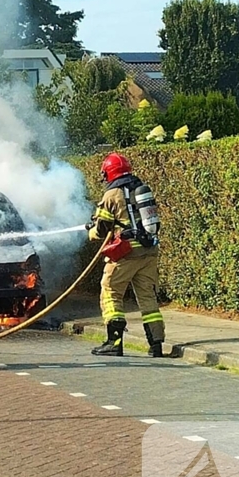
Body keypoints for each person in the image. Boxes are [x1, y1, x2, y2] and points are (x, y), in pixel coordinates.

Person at [86, 153, 165, 357]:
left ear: (109, 173)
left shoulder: (111, 195)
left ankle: (114, 342)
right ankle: (156, 345)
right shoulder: (140, 188)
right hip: (149, 250)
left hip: (126, 251)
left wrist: (91, 230)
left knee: (110, 290)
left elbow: (102, 230)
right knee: (147, 297)